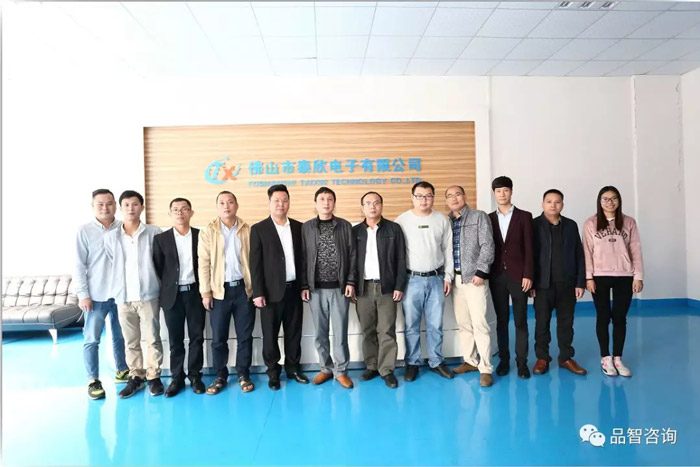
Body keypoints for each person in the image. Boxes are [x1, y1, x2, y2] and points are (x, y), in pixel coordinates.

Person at [104, 190, 163, 398]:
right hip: (124, 297)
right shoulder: (110, 237)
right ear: (120, 208)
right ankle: (136, 376)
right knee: (130, 341)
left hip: (148, 295)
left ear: (142, 207)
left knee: (153, 338)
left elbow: (160, 261)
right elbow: (112, 262)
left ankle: (154, 376)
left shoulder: (154, 232)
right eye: (127, 205)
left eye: (135, 204)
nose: (131, 208)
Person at [250, 185, 309, 390]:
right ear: (269, 203)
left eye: (284, 200)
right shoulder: (259, 229)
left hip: (294, 290)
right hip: (269, 292)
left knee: (294, 332)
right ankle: (273, 373)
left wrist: (304, 285)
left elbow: (303, 260)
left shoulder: (299, 227)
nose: (281, 204)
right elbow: (255, 264)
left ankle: (293, 369)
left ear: (289, 202)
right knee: (270, 335)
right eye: (276, 200)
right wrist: (258, 292)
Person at [74, 189, 130, 400]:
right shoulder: (84, 231)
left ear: (115, 206)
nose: (105, 208)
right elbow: (79, 265)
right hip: (95, 295)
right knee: (92, 339)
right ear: (93, 206)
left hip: (120, 294)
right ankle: (93, 380)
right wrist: (83, 294)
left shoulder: (124, 228)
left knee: (120, 336)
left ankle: (122, 370)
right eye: (100, 204)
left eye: (109, 203)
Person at [396, 181, 454, 382]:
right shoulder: (402, 221)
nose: (424, 200)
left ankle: (436, 361)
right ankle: (412, 363)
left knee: (435, 324)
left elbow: (448, 250)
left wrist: (448, 276)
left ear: (433, 198)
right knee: (411, 325)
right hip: (411, 280)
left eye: (428, 196)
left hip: (436, 279)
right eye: (419, 196)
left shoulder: (442, 220)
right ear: (412, 197)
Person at [198, 191, 255, 394]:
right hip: (219, 292)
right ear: (217, 207)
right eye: (222, 203)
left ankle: (243, 374)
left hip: (244, 290)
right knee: (218, 338)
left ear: (236, 205)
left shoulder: (247, 230)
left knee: (245, 337)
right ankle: (220, 375)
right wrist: (205, 293)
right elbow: (203, 263)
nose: (226, 206)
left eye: (230, 202)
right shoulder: (208, 231)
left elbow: (255, 261)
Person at [583, 186, 644, 377]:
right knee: (603, 317)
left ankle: (618, 357)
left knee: (619, 318)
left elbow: (635, 249)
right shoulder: (590, 223)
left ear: (619, 201)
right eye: (605, 199)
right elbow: (587, 251)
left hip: (624, 276)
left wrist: (638, 276)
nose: (610, 202)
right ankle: (605, 357)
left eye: (613, 198)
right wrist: (588, 276)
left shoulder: (629, 222)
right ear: (599, 201)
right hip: (599, 276)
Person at [300, 187, 357, 389]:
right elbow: (302, 257)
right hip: (315, 289)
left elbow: (352, 255)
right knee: (320, 333)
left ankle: (341, 371)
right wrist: (304, 284)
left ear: (334, 203)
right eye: (322, 199)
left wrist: (350, 282)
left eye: (330, 199)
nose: (326, 203)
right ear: (315, 203)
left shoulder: (344, 226)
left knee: (340, 332)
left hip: (339, 289)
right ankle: (326, 368)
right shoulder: (306, 227)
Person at [152, 197, 207, 397]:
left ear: (191, 212)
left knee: (196, 338)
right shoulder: (161, 239)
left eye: (184, 209)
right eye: (175, 209)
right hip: (172, 296)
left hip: (195, 294)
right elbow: (158, 268)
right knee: (175, 340)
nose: (180, 213)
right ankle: (177, 378)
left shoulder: (201, 236)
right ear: (170, 214)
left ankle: (195, 376)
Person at [352, 191, 406, 389]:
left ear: (381, 205)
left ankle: (387, 370)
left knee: (386, 331)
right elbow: (350, 262)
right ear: (362, 207)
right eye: (368, 203)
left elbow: (401, 259)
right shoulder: (355, 231)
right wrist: (351, 285)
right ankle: (372, 366)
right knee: (367, 330)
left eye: (376, 203)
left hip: (387, 288)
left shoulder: (394, 229)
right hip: (363, 289)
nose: (372, 207)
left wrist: (399, 286)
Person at [531, 189, 587, 376]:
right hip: (542, 285)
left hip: (567, 284)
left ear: (562, 204)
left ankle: (566, 357)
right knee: (541, 323)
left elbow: (579, 254)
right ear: (542, 204)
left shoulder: (571, 225)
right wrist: (531, 283)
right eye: (549, 201)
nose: (553, 205)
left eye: (557, 202)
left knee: (566, 323)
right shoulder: (533, 225)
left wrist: (580, 282)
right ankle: (542, 358)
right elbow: (529, 256)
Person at [445, 185, 496, 387]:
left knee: (480, 324)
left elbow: (488, 244)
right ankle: (470, 361)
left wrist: (481, 272)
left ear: (464, 197)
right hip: (456, 280)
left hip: (475, 279)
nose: (454, 198)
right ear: (446, 201)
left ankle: (486, 368)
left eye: (457, 194)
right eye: (450, 196)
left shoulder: (478, 216)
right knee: (464, 324)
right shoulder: (447, 221)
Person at [488, 176, 534, 379]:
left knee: (521, 321)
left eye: (505, 190)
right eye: (498, 191)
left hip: (519, 276)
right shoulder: (489, 218)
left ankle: (522, 362)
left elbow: (530, 248)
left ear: (511, 191)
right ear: (494, 193)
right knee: (501, 320)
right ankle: (504, 360)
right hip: (497, 276)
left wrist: (528, 274)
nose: (502, 194)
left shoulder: (524, 216)